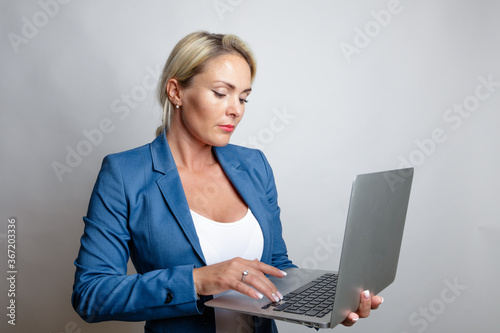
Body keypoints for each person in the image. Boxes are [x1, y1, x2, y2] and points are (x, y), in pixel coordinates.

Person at [72, 31, 383, 333]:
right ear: (176, 92)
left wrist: (329, 304)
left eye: (244, 98)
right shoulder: (125, 174)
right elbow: (91, 295)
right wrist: (200, 280)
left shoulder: (254, 165)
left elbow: (276, 266)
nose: (235, 110)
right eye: (221, 93)